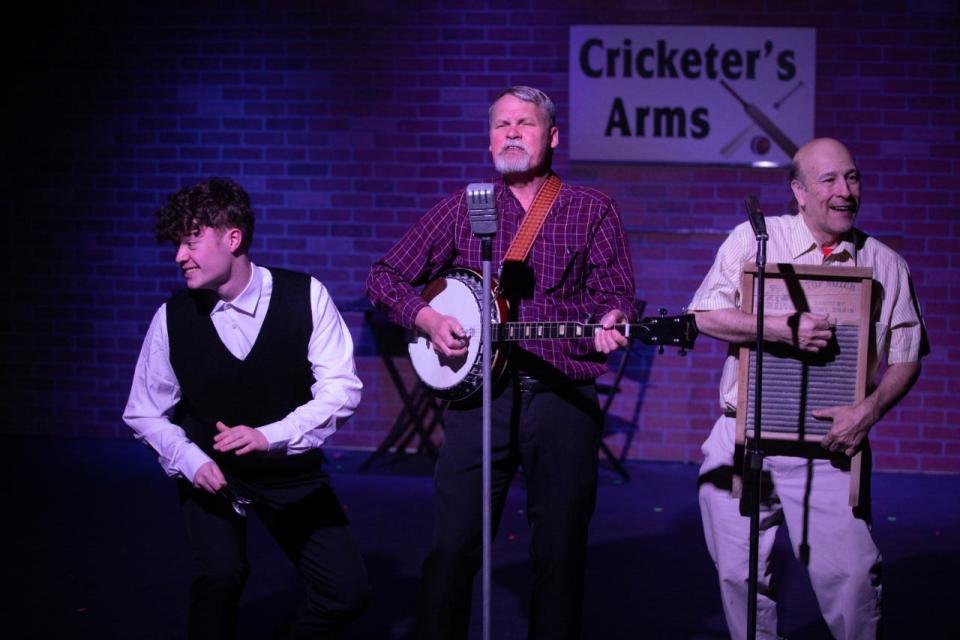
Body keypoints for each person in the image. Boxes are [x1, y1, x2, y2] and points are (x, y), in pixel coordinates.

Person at [366, 85, 639, 639]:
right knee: (451, 549)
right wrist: (426, 318)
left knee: (559, 555)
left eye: (526, 123)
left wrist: (613, 319)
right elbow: (383, 277)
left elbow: (620, 293)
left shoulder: (591, 208)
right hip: (478, 400)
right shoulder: (462, 207)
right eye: (501, 124)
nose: (512, 132)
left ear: (553, 136)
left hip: (563, 395)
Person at [690, 138, 926, 639]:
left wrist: (870, 410)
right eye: (830, 180)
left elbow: (906, 359)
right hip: (742, 436)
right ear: (798, 191)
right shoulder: (755, 239)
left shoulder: (885, 264)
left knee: (854, 583)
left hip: (832, 446)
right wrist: (779, 327)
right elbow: (704, 315)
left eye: (853, 177)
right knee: (740, 579)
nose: (846, 191)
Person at [123, 177, 370, 639]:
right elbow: (143, 411)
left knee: (347, 593)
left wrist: (269, 435)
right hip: (213, 476)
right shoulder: (172, 318)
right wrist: (189, 459)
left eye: (192, 240)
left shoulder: (306, 297)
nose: (180, 255)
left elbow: (341, 390)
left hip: (289, 472)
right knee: (221, 576)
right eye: (178, 243)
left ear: (232, 238)